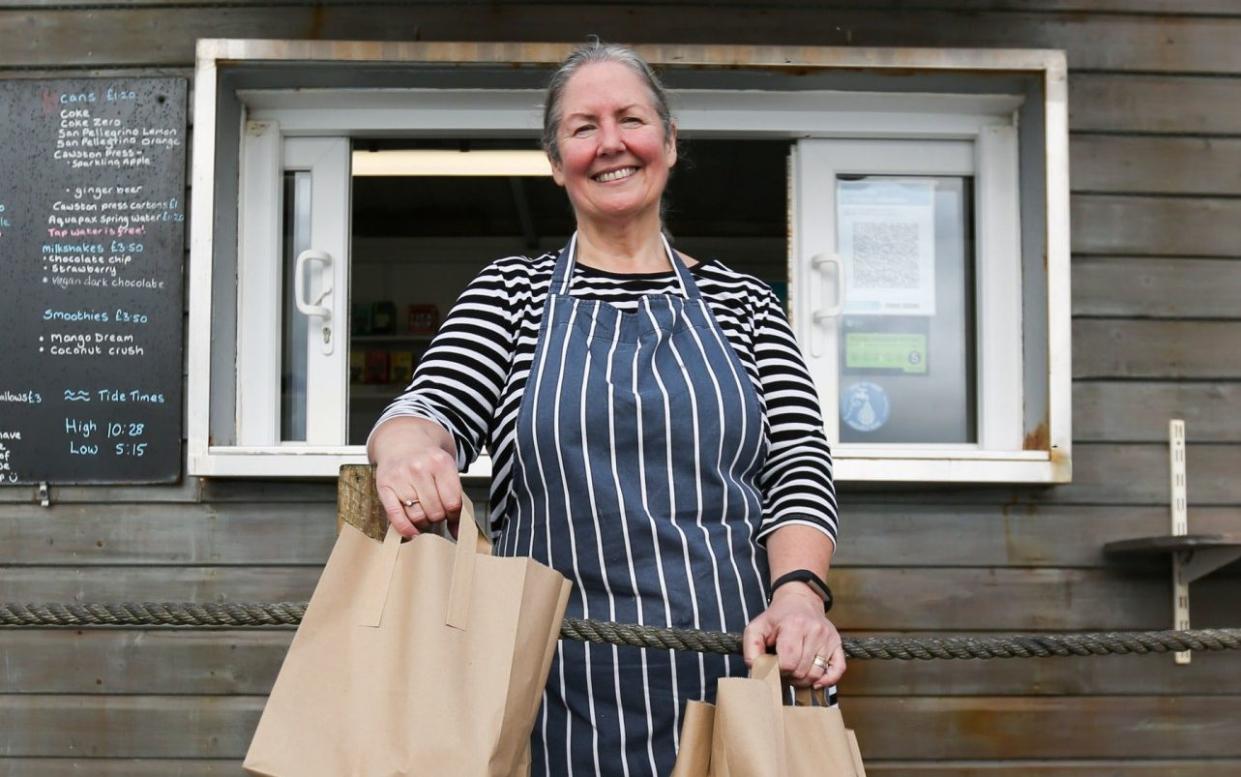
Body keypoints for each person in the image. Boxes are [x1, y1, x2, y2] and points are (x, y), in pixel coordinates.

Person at [367, 41, 843, 777]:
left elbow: (796, 466)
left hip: (733, 671)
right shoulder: (510, 295)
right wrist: (403, 450)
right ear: (556, 161)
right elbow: (429, 404)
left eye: (631, 119)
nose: (611, 142)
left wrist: (799, 597)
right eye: (583, 127)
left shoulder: (746, 304)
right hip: (551, 687)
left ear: (669, 142)